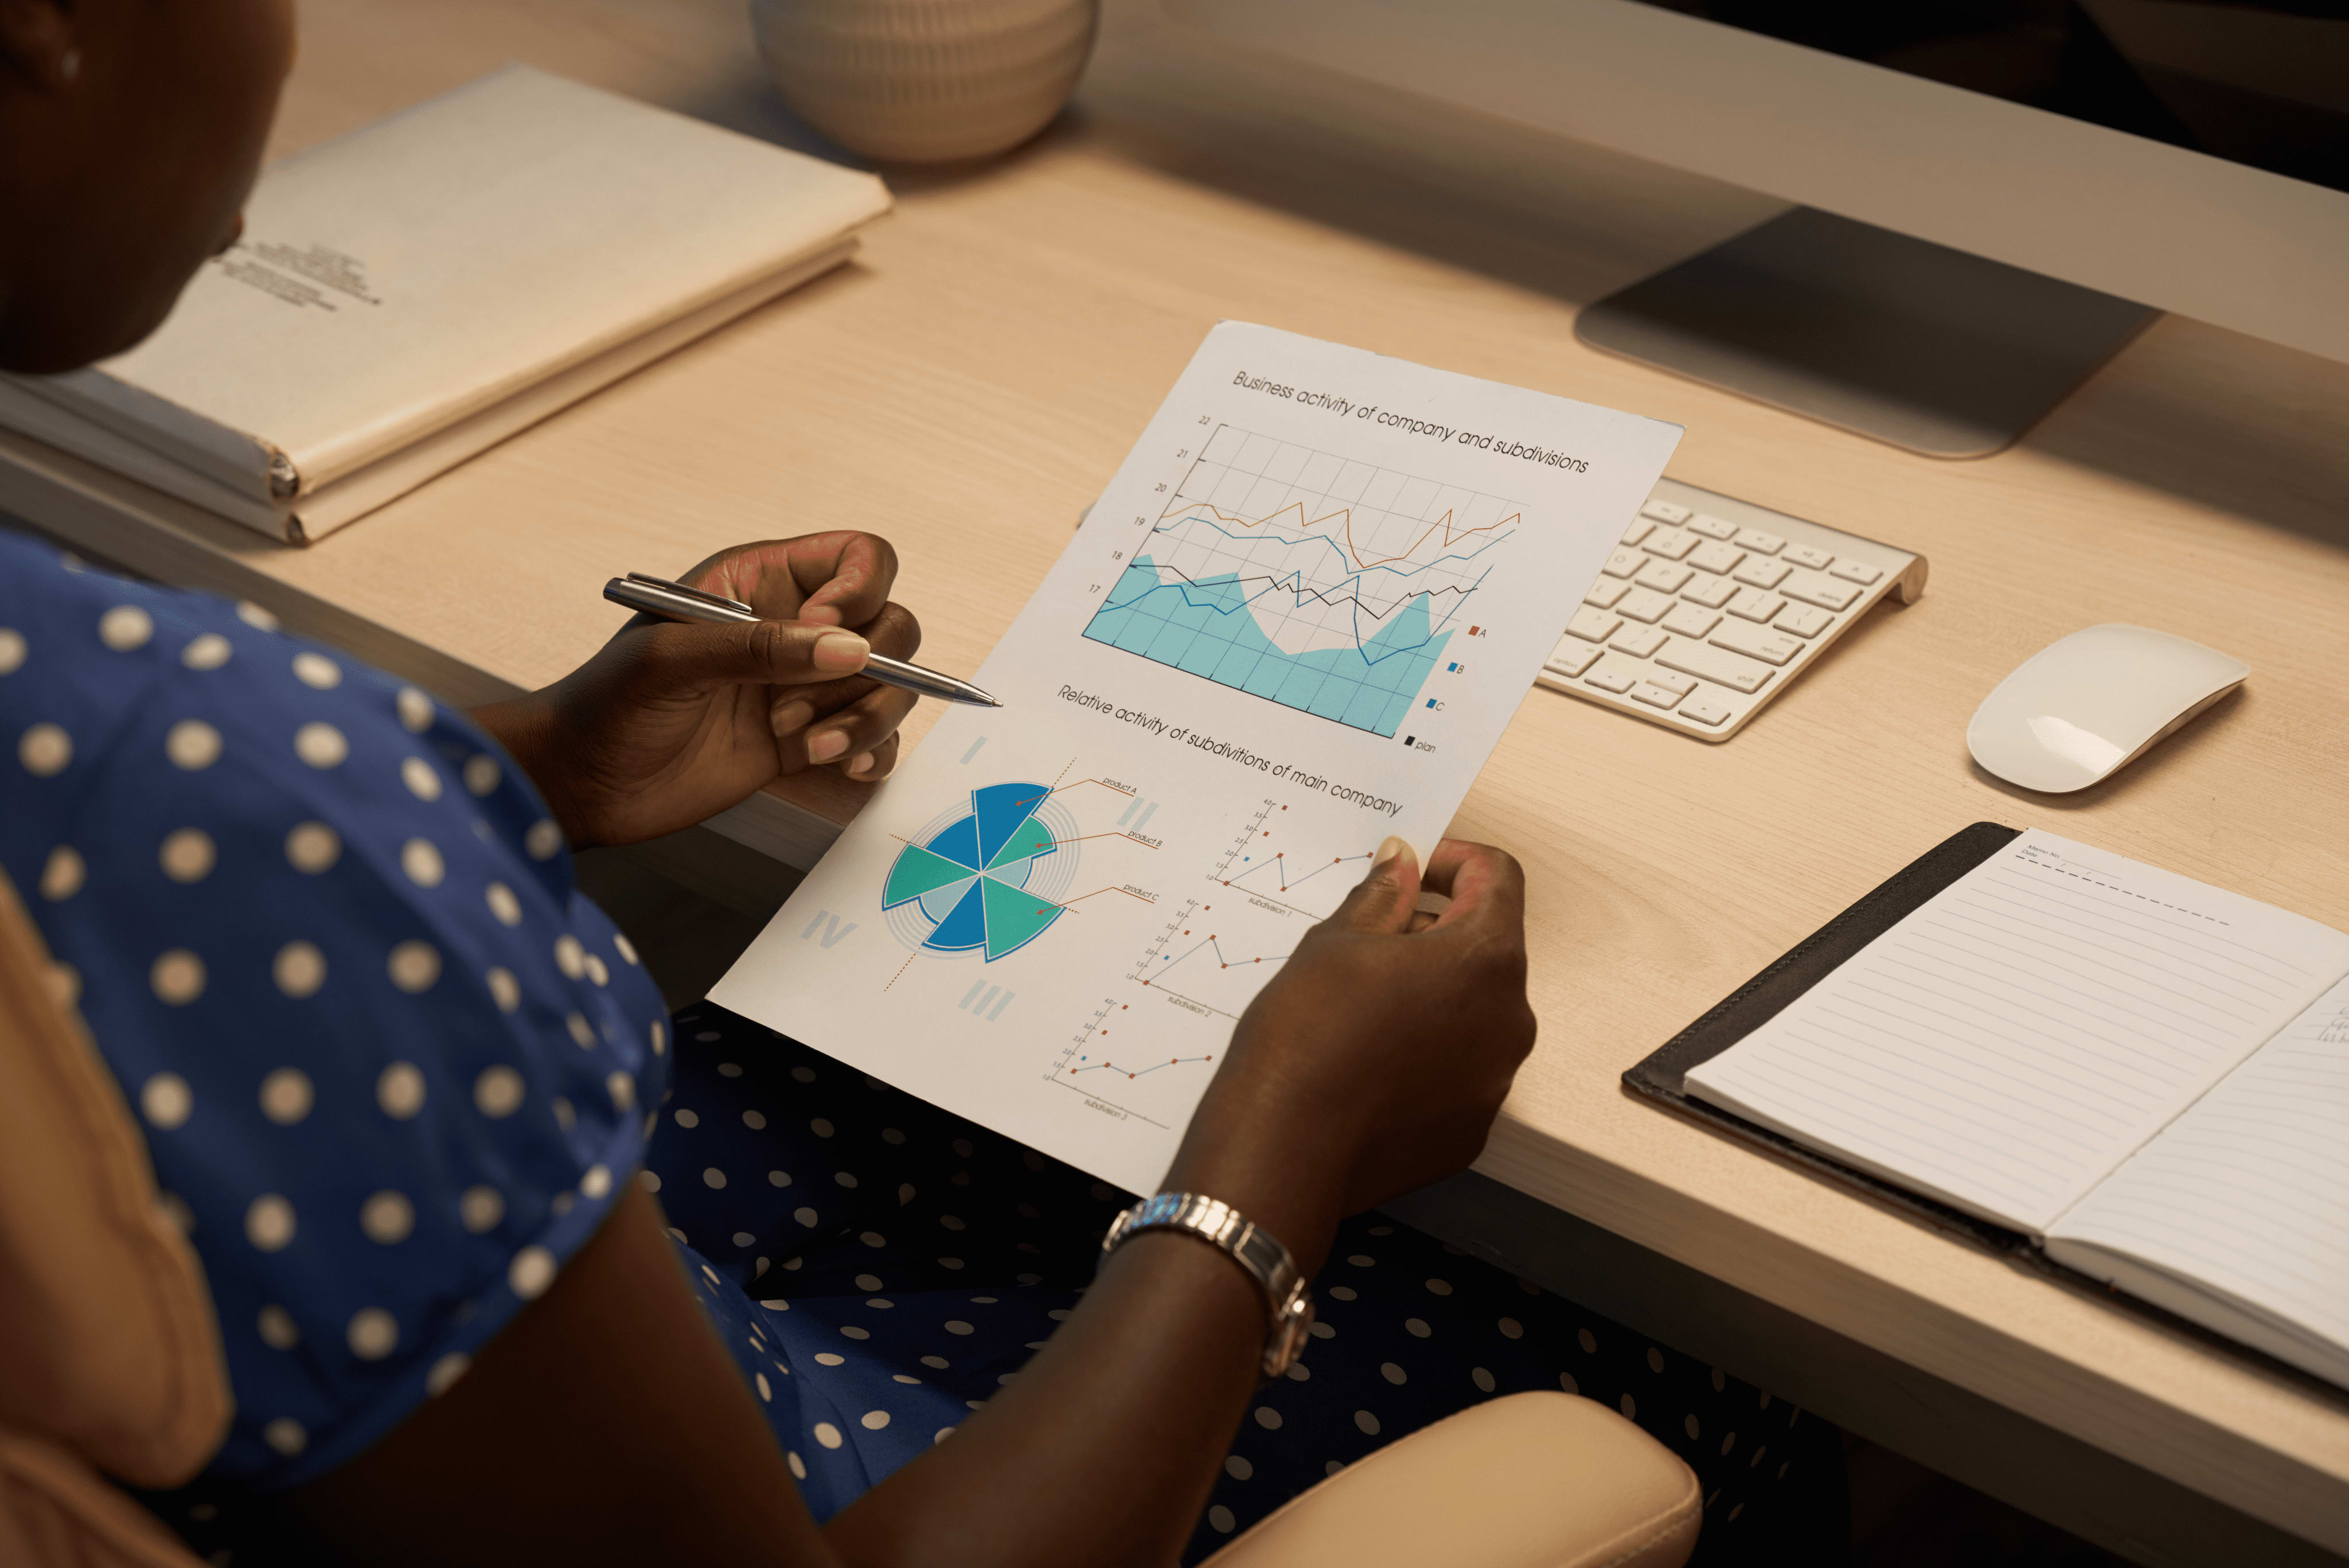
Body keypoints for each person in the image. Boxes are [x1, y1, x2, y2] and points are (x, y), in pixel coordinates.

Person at [0, 2, 1848, 1563]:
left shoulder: (149, 758)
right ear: (47, 39)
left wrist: (542, 769)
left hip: (405, 1314)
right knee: (1693, 1351)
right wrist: (1276, 1148)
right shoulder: (205, 785)